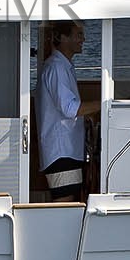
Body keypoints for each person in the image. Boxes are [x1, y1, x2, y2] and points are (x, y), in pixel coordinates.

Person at [38, 20, 87, 201]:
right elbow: (70, 108)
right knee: (64, 201)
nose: (84, 39)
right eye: (79, 34)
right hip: (61, 151)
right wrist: (104, 104)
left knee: (68, 199)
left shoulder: (62, 65)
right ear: (63, 37)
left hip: (66, 149)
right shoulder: (57, 67)